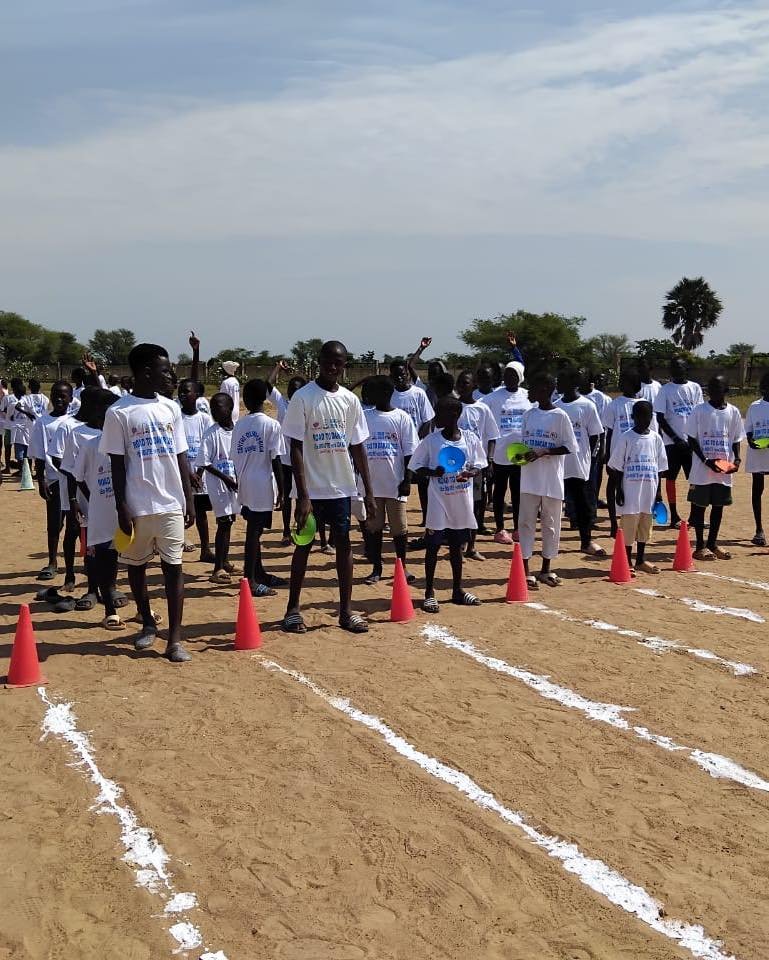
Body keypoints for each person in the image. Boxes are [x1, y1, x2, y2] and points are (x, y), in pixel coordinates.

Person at [100, 342, 196, 662]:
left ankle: (175, 639)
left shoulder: (170, 408)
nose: (170, 376)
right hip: (137, 504)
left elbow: (181, 456)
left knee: (174, 568)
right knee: (137, 566)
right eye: (164, 370)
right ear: (145, 372)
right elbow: (116, 464)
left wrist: (188, 498)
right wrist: (121, 506)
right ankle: (147, 623)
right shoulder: (119, 412)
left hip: (170, 502)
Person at [280, 340, 375, 634]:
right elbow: (295, 447)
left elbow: (357, 446)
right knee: (303, 546)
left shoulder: (349, 400)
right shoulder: (303, 398)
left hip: (341, 488)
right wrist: (303, 494)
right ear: (318, 362)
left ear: (344, 365)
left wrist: (368, 491)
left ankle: (346, 611)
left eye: (339, 363)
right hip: (311, 490)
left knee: (344, 545)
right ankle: (292, 609)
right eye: (328, 361)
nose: (333, 367)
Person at [409, 395, 487, 611]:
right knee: (432, 547)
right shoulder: (431, 441)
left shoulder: (469, 438)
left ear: (454, 415)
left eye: (440, 413)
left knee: (456, 548)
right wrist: (433, 472)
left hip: (460, 504)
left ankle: (457, 590)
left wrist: (471, 473)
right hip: (438, 504)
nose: (436, 418)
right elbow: (416, 466)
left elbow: (480, 464)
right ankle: (429, 592)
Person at [72, 389, 128, 628]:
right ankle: (109, 611)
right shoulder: (90, 445)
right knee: (102, 557)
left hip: (124, 511)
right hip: (101, 513)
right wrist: (92, 498)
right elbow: (78, 477)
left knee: (132, 558)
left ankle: (143, 608)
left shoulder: (127, 445)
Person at [518, 373, 576, 588]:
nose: (529, 392)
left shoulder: (560, 416)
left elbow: (570, 446)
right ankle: (525, 569)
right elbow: (523, 444)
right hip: (529, 479)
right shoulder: (528, 415)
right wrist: (521, 455)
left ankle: (546, 568)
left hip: (551, 480)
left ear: (544, 390)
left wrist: (545, 451)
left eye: (533, 387)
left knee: (551, 524)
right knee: (526, 523)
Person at [358, 376, 418, 585]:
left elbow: (410, 452)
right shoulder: (365, 417)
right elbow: (356, 445)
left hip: (395, 484)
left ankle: (402, 567)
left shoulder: (402, 418)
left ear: (385, 394)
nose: (368, 396)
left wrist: (407, 480)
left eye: (372, 392)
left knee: (399, 529)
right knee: (373, 528)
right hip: (371, 486)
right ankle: (376, 568)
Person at [232, 378, 285, 596]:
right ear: (265, 399)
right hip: (262, 483)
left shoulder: (239, 425)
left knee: (256, 529)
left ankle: (259, 572)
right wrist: (282, 489)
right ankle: (250, 580)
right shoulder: (272, 425)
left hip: (245, 482)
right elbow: (276, 459)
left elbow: (235, 457)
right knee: (254, 532)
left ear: (245, 399)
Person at [686, 375, 744, 561]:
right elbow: (691, 439)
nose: (712, 391)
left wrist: (737, 460)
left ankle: (712, 543)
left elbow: (736, 439)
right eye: (710, 387)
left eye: (717, 387)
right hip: (702, 469)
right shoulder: (699, 410)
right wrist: (705, 460)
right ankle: (699, 546)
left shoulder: (733, 412)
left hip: (723, 469)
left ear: (726, 390)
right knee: (700, 507)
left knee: (718, 507)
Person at [609, 400, 669, 574]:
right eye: (639, 417)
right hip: (630, 491)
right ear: (632, 417)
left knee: (645, 526)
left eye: (647, 417)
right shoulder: (626, 438)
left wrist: (658, 492)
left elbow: (660, 469)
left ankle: (640, 560)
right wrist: (619, 490)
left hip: (649, 491)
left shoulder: (656, 439)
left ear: (651, 418)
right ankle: (626, 561)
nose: (643, 420)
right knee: (629, 528)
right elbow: (617, 468)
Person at [555, 367, 606, 557]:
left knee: (583, 505)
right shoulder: (556, 406)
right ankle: (551, 543)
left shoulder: (587, 406)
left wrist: (590, 458)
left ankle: (586, 541)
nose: (558, 384)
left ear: (573, 383)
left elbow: (595, 435)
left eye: (561, 380)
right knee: (554, 506)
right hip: (558, 466)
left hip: (579, 465)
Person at [481, 360, 531, 544]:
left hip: (520, 452)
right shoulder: (493, 397)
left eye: (514, 374)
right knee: (500, 491)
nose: (510, 377)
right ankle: (500, 529)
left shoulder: (527, 396)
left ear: (520, 377)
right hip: (500, 452)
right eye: (507, 374)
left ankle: (517, 528)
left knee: (518, 492)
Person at [28, 381, 73, 583]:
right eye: (55, 395)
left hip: (72, 481)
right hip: (54, 480)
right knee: (54, 524)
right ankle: (52, 561)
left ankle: (79, 564)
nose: (59, 399)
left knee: (75, 524)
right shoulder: (42, 422)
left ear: (71, 398)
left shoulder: (74, 422)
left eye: (63, 396)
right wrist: (41, 480)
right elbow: (39, 454)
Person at [654, 357, 704, 528]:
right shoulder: (665, 390)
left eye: (680, 367)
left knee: (695, 479)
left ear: (686, 369)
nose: (677, 370)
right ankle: (674, 515)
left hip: (692, 443)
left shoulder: (695, 387)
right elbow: (660, 418)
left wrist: (692, 438)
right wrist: (676, 438)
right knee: (670, 478)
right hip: (672, 443)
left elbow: (699, 414)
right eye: (674, 367)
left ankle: (694, 516)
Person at [456, 369, 500, 555]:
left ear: (473, 385)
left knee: (476, 505)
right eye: (459, 383)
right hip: (455, 465)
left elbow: (492, 436)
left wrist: (489, 460)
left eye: (465, 383)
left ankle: (472, 545)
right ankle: (459, 543)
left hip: (475, 466)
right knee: (459, 505)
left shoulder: (482, 409)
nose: (461, 386)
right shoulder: (453, 407)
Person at [197, 393, 238, 583]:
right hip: (219, 485)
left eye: (218, 407)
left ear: (230, 408)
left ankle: (225, 561)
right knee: (223, 522)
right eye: (212, 408)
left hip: (234, 485)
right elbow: (205, 462)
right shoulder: (211, 433)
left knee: (229, 521)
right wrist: (226, 479)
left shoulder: (237, 430)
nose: (214, 411)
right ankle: (217, 569)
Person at [603, 367, 645, 538]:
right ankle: (614, 522)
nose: (621, 384)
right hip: (618, 453)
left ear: (633, 384)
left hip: (638, 455)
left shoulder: (643, 404)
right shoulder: (614, 405)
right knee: (613, 485)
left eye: (624, 381)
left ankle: (634, 522)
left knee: (634, 488)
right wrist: (607, 456)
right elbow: (609, 432)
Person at [178, 377, 215, 563]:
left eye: (187, 391)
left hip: (200, 474)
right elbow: (177, 449)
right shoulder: (176, 418)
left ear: (197, 394)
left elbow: (206, 447)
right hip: (181, 474)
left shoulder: (205, 419)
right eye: (180, 391)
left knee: (201, 512)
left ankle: (205, 549)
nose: (182, 395)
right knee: (179, 512)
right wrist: (188, 474)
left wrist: (198, 474)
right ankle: (176, 547)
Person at [579, 370, 611, 508]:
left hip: (595, 440)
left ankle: (594, 499)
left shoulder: (600, 397)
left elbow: (602, 425)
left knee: (595, 471)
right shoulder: (573, 395)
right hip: (577, 441)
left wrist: (602, 446)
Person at [745, 372, 769, 547]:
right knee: (757, 490)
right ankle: (759, 529)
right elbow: (749, 430)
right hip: (758, 456)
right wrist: (751, 441)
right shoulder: (755, 407)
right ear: (763, 388)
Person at [389, 357, 434, 434]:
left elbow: (427, 421)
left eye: (402, 374)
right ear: (391, 376)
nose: (399, 378)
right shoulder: (389, 395)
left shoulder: (419, 393)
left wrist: (416, 439)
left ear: (407, 374)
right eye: (395, 375)